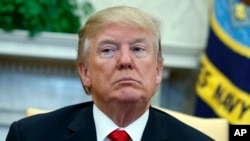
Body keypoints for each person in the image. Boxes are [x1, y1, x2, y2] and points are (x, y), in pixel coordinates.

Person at [6, 6, 213, 141]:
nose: (125, 61)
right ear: (85, 72)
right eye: (108, 50)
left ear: (158, 71)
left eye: (138, 49)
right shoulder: (30, 136)